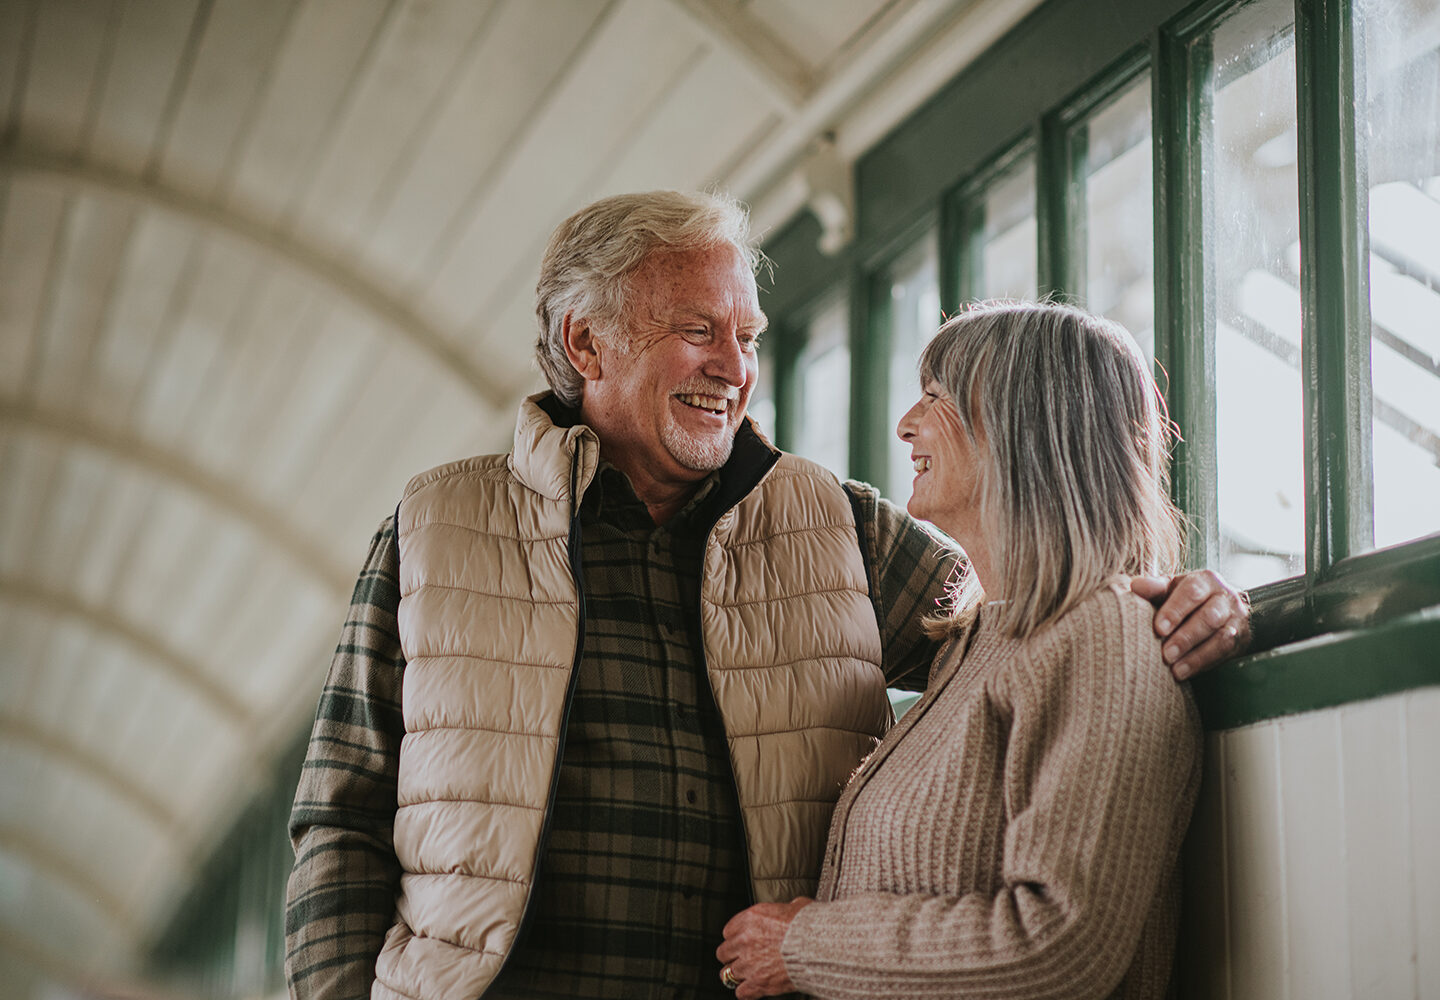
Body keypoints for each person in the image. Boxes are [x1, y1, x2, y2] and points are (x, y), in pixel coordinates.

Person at [284, 192, 1247, 1000]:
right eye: (697, 331)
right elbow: (341, 819)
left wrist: (1188, 600)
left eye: (746, 336)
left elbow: (1033, 604)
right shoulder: (436, 528)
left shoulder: (839, 523)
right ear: (587, 343)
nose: (734, 367)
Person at [716, 301, 1207, 999]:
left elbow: (1060, 944)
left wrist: (804, 945)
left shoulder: (1104, 641)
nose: (906, 424)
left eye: (936, 397)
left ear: (1020, 427)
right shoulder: (969, 645)